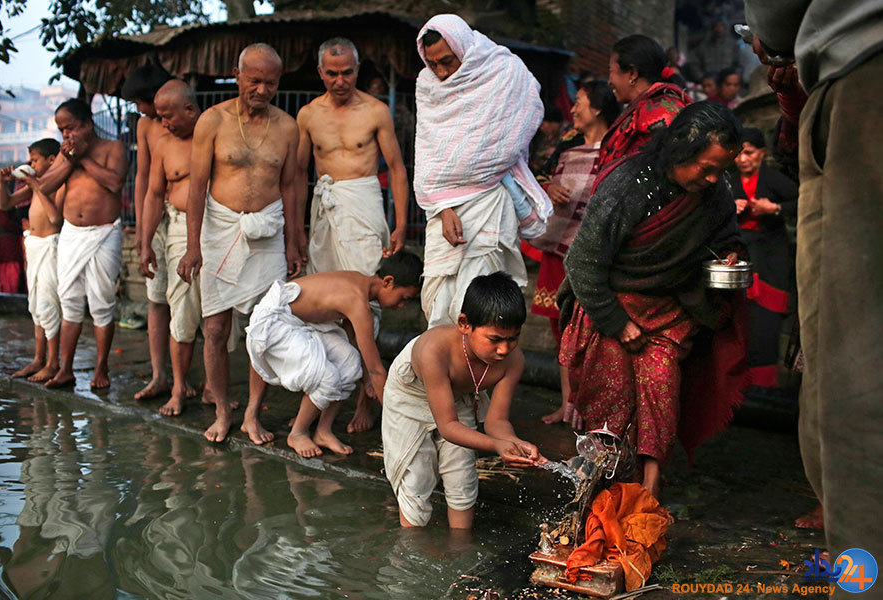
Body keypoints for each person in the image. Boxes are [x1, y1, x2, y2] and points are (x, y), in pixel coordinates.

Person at [745, 0, 883, 564]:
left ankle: (864, 571)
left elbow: (777, 14)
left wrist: (775, 40)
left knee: (855, 355)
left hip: (866, 70)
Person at [558, 102, 748, 500]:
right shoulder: (629, 184)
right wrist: (616, 322)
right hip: (611, 305)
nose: (714, 179)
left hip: (669, 311)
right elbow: (583, 261)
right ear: (681, 150)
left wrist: (729, 253)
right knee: (611, 400)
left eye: (721, 170)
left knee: (660, 391)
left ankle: (649, 491)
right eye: (706, 168)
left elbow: (726, 235)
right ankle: (600, 489)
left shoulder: (714, 195)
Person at [176, 43, 300, 445]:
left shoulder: (288, 127)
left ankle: (251, 414)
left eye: (271, 83)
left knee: (263, 326)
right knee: (214, 327)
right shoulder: (212, 121)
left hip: (268, 232)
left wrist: (295, 241)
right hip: (220, 230)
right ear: (237, 75)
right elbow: (196, 187)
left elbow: (292, 187)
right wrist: (192, 246)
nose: (262, 90)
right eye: (254, 81)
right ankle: (222, 410)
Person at [296, 36, 409, 433]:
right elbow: (296, 175)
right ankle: (327, 391)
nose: (340, 80)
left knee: (368, 299)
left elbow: (396, 167)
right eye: (332, 73)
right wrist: (296, 230)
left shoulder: (376, 111)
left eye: (347, 72)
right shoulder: (308, 115)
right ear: (320, 72)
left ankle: (366, 398)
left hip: (364, 206)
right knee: (326, 301)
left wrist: (399, 224)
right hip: (324, 209)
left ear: (357, 71)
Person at [414, 14, 552, 328]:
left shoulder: (505, 71)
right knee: (438, 298)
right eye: (432, 63)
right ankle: (445, 369)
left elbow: (523, 119)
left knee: (484, 300)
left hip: (491, 196)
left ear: (463, 47)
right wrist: (442, 207)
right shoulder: (427, 84)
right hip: (443, 207)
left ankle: (484, 373)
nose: (441, 71)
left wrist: (478, 166)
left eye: (447, 61)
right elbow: (427, 152)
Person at [382, 272, 547, 529]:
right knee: (416, 476)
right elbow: (448, 427)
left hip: (459, 396)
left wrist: (514, 443)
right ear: (464, 324)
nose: (504, 349)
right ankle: (411, 549)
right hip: (410, 396)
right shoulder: (434, 352)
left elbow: (497, 421)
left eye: (512, 338)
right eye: (494, 339)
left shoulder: (512, 362)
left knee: (462, 474)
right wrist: (497, 446)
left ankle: (460, 548)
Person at [245, 251, 423, 457]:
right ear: (388, 282)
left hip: (302, 325)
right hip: (274, 321)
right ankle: (298, 433)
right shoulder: (357, 301)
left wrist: (365, 379)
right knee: (326, 376)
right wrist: (397, 423)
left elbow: (357, 347)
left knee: (350, 363)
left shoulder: (361, 287)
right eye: (403, 298)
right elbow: (377, 370)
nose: (402, 306)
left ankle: (323, 430)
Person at [527, 80, 620, 426]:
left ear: (596, 108)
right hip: (558, 249)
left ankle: (590, 407)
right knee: (559, 328)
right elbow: (540, 174)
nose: (574, 109)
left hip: (594, 254)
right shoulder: (568, 143)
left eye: (579, 102)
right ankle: (567, 404)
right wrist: (549, 186)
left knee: (591, 332)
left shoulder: (619, 147)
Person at [32, 98, 129, 389]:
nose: (66, 136)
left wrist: (84, 158)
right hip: (72, 234)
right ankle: (66, 369)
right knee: (70, 302)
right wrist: (70, 160)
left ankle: (101, 367)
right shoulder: (66, 155)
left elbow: (115, 183)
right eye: (61, 131)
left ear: (87, 123)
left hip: (104, 233)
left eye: (70, 128)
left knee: (101, 303)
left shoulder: (114, 148)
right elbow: (45, 185)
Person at [139, 80, 204, 417]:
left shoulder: (212, 134)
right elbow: (153, 194)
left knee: (219, 316)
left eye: (167, 116)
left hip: (216, 229)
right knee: (180, 311)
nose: (161, 123)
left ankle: (212, 389)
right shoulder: (163, 145)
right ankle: (177, 387)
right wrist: (146, 241)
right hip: (176, 229)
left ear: (189, 110)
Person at [121, 64, 176, 401]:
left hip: (187, 215)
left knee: (194, 304)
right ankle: (160, 376)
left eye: (140, 102)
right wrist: (143, 229)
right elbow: (143, 176)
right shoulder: (145, 125)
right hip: (156, 218)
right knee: (156, 299)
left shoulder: (191, 119)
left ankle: (198, 381)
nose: (138, 109)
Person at [730, 127, 798, 389]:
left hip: (770, 263)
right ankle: (735, 391)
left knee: (766, 326)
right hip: (741, 260)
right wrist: (731, 207)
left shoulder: (774, 180)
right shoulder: (728, 181)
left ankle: (763, 388)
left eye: (749, 153)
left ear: (762, 153)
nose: (743, 159)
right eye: (738, 154)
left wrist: (776, 208)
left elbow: (803, 199)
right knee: (739, 327)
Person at [0, 138, 63, 382]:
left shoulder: (56, 184)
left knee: (49, 304)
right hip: (34, 246)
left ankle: (53, 362)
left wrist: (36, 186)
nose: (31, 164)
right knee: (36, 305)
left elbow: (55, 219)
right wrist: (4, 184)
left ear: (51, 160)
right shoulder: (39, 184)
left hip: (50, 246)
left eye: (35, 160)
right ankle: (38, 358)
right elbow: (6, 204)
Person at [601, 35, 691, 178]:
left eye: (611, 71)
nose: (609, 81)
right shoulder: (647, 108)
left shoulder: (659, 112)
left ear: (632, 74)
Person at [0, 178, 25, 293]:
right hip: (6, 242)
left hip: (11, 240)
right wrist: (21, 229)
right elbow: (5, 223)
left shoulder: (6, 202)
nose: (0, 189)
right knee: (10, 269)